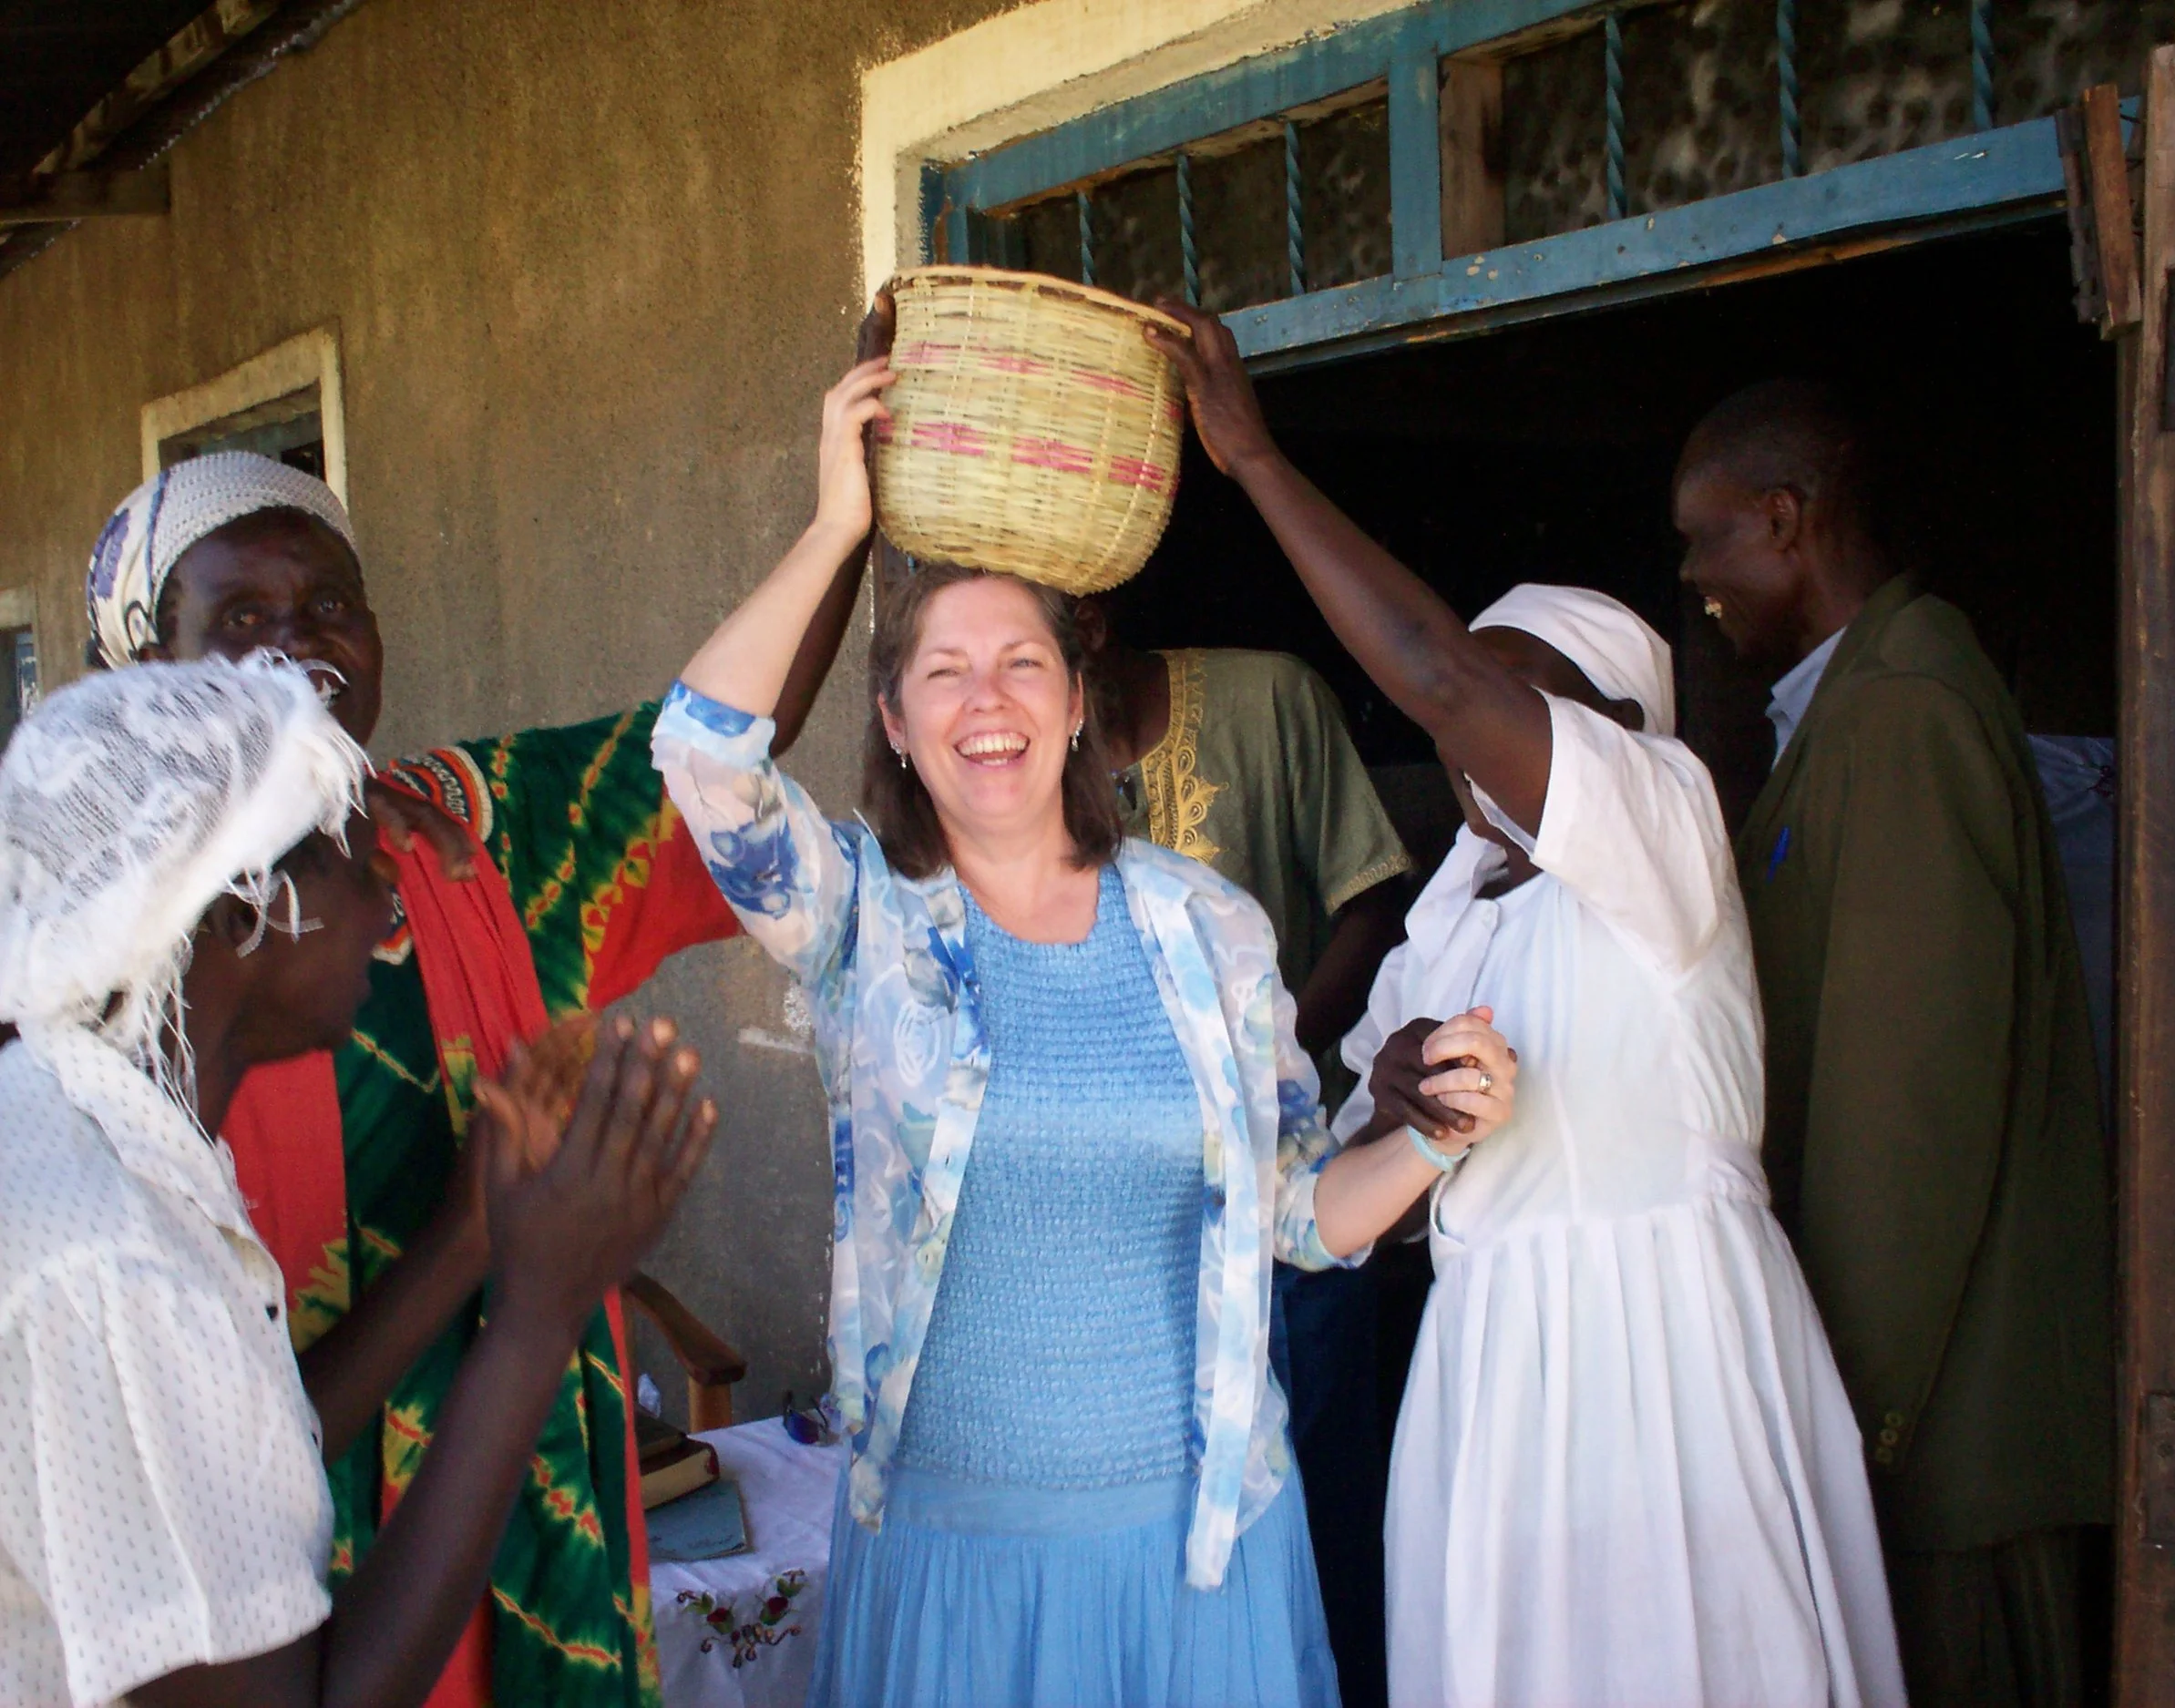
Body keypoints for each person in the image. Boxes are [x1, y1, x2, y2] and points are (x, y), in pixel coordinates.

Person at [650, 356, 1516, 1706]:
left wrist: (1436, 1138)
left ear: (1072, 705)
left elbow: (1294, 1210)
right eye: (943, 672)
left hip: (1196, 1555)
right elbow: (704, 758)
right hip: (953, 1560)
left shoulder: (1211, 931)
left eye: (1020, 664)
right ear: (894, 717)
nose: (985, 701)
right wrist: (837, 523)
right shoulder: (861, 917)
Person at [1147, 304, 1906, 1707]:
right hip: (1496, 1362)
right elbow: (1362, 1135)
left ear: (1610, 724)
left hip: (1660, 1349)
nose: (1468, 726)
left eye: (1517, 700)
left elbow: (1433, 671)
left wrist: (1252, 459)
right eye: (1474, 701)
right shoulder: (1449, 914)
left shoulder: (1660, 835)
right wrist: (1398, 1099)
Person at [81, 449, 859, 1705]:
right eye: (238, 616)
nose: (298, 647)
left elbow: (703, 760)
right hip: (278, 1581)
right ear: (142, 670)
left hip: (537, 1523)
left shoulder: (465, 833)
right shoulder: (90, 979)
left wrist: (844, 521)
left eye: (330, 602)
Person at [0, 654, 716, 1708]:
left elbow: (254, 1447)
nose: (389, 885)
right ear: (247, 916)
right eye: (347, 851)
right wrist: (534, 1315)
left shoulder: (84, 1125)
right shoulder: (107, 1257)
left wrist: (469, 1234)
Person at [1676, 378, 2113, 1705]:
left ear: (1787, 520)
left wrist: (1853, 1411)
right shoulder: (1856, 705)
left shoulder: (1909, 705)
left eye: (1705, 541)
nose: (1693, 581)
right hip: (1931, 1406)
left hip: (1947, 1426)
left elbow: (1909, 1104)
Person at [1078, 598, 1411, 1705]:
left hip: (1296, 1200)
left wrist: (1264, 1074)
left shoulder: (1270, 695)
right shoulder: (1017, 758)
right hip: (1139, 1253)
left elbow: (1373, 902)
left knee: (1324, 1523)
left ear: (1099, 594)